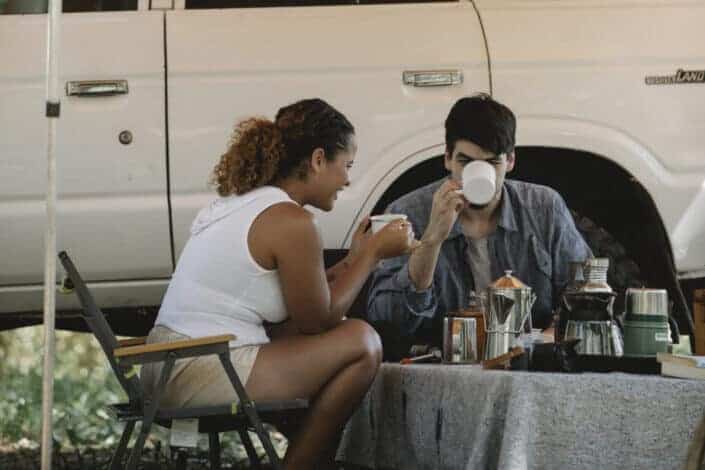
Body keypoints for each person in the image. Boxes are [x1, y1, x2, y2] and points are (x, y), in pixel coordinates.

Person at [142, 98, 416, 469]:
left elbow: (307, 295)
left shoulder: (247, 203)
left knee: (310, 341)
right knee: (362, 342)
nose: (348, 179)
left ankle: (320, 459)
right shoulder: (290, 221)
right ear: (318, 159)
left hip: (166, 367)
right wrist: (372, 257)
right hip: (199, 368)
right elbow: (317, 321)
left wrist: (354, 258)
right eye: (346, 166)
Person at [366, 93, 592, 355]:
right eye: (466, 162)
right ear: (447, 158)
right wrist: (432, 240)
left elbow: (586, 295)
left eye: (492, 162)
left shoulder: (544, 208)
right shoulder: (408, 213)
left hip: (529, 365)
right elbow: (387, 320)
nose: (479, 172)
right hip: (443, 365)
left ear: (510, 161)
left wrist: (551, 336)